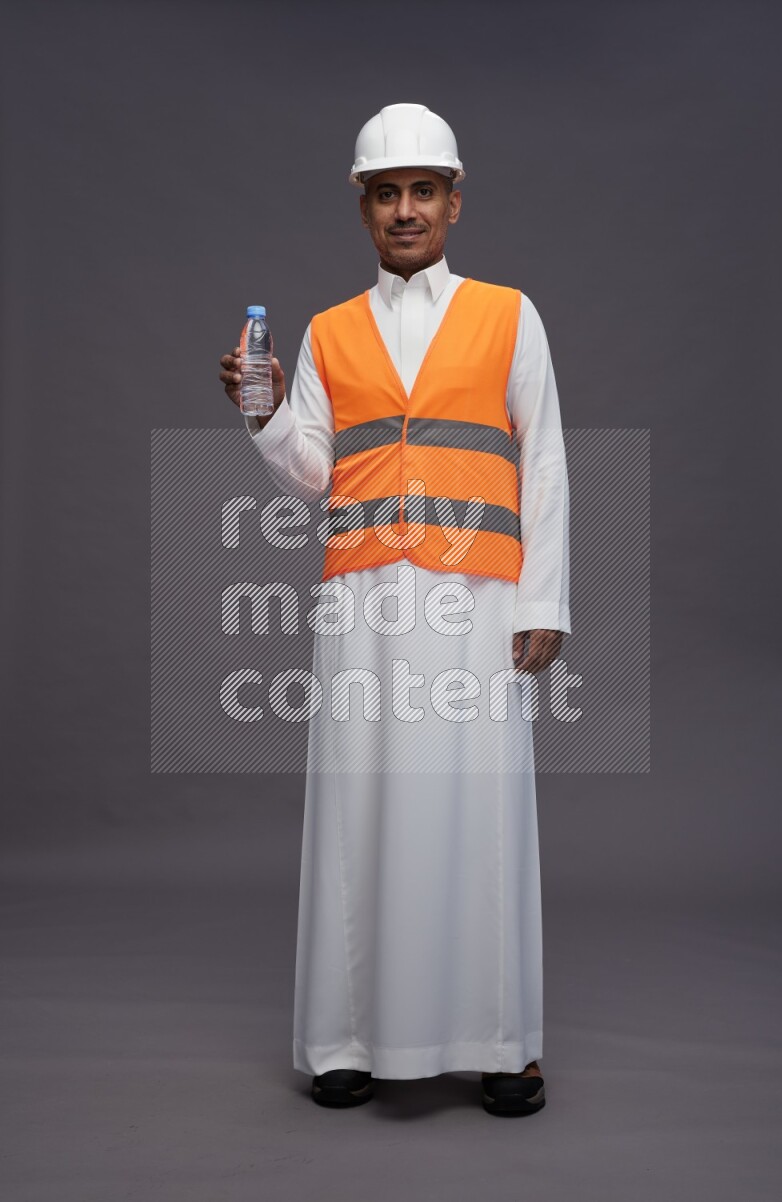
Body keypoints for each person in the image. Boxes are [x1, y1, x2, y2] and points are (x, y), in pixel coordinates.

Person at [219, 103, 571, 1117]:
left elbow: (541, 456)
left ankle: (502, 1041)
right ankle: (345, 1038)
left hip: (479, 598)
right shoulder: (330, 330)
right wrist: (269, 409)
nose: (404, 209)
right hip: (364, 599)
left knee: (482, 803)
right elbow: (315, 474)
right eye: (386, 193)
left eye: (422, 190)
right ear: (363, 207)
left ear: (453, 202)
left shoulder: (511, 313)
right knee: (357, 801)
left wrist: (544, 595)